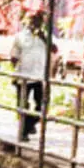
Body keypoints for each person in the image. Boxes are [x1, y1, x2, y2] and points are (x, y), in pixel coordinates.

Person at [10, 13, 52, 142]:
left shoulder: (46, 36)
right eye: (33, 21)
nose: (36, 24)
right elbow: (13, 57)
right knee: (23, 105)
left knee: (41, 106)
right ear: (28, 22)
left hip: (40, 77)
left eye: (39, 21)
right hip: (24, 77)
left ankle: (30, 124)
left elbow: (54, 50)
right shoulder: (20, 37)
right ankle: (23, 132)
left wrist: (44, 38)